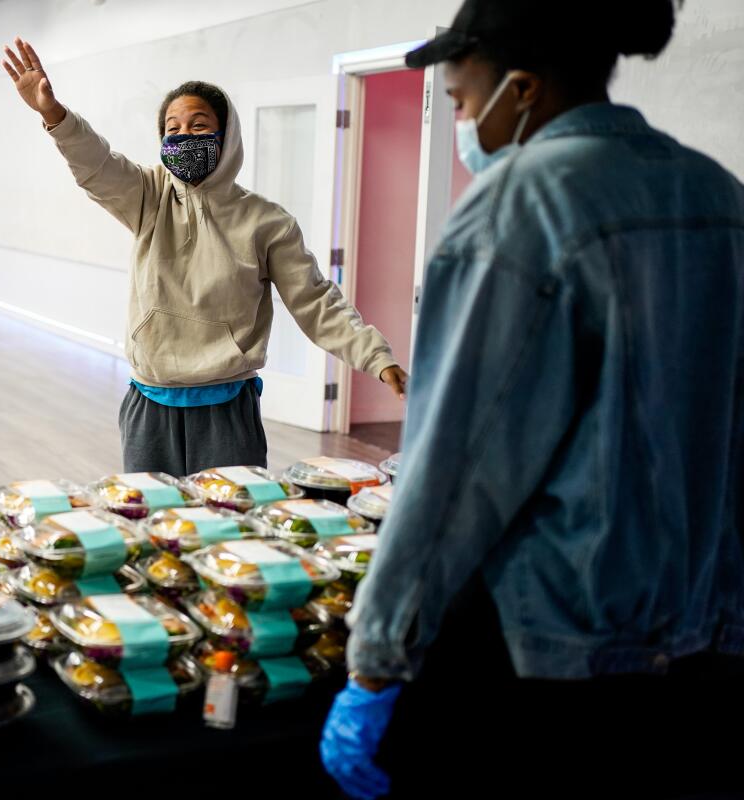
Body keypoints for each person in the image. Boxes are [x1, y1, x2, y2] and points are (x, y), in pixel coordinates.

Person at [321, 0, 744, 797]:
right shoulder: (718, 193)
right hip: (706, 635)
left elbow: (457, 464)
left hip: (555, 648)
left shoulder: (522, 201)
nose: (463, 119)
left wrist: (377, 653)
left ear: (521, 87)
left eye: (461, 99)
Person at [2, 38, 408, 477]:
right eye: (173, 129)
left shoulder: (267, 222)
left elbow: (316, 302)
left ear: (227, 135)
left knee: (228, 527)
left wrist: (375, 356)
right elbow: (97, 165)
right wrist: (53, 114)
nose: (184, 136)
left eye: (199, 126)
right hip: (149, 406)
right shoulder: (147, 196)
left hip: (227, 408)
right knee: (151, 525)